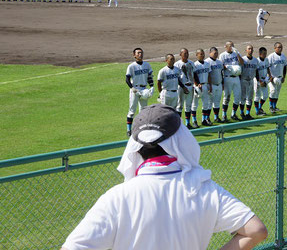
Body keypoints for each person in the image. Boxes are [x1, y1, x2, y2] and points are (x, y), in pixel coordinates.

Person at [61, 104, 268, 250]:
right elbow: (256, 231)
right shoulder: (205, 188)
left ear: (136, 147)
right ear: (179, 141)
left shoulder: (117, 197)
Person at [125, 48, 154, 136]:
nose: (140, 55)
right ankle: (129, 130)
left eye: (141, 53)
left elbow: (149, 77)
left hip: (144, 89)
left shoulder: (147, 65)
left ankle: (142, 128)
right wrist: (132, 88)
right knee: (132, 110)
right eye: (138, 53)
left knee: (143, 110)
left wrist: (152, 86)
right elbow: (127, 79)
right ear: (134, 55)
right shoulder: (131, 66)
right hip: (135, 90)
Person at [219, 42, 244, 121]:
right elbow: (221, 66)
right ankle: (224, 115)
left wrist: (237, 54)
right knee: (227, 97)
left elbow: (242, 62)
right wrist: (229, 67)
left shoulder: (236, 53)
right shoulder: (222, 55)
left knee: (237, 96)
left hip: (236, 78)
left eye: (233, 45)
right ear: (226, 46)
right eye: (230, 46)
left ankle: (233, 114)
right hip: (227, 78)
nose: (232, 47)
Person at [175, 48, 195, 128]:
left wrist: (197, 84)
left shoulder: (191, 63)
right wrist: (183, 87)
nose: (186, 55)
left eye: (187, 53)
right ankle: (179, 124)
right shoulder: (177, 64)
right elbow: (176, 78)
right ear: (180, 54)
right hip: (181, 87)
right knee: (179, 106)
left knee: (188, 105)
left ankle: (187, 123)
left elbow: (195, 73)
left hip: (190, 86)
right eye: (184, 53)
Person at [192, 49, 213, 126]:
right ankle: (194, 121)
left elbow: (209, 75)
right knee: (194, 105)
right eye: (200, 54)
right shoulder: (195, 64)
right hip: (197, 87)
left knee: (206, 104)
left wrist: (210, 85)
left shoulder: (207, 64)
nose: (202, 55)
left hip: (205, 85)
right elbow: (193, 76)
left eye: (203, 54)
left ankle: (204, 120)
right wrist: (197, 85)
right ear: (197, 55)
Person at [267, 42, 287, 113]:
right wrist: (270, 76)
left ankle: (274, 106)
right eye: (278, 47)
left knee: (277, 92)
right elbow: (267, 67)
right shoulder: (271, 56)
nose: (280, 49)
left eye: (281, 47)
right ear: (275, 48)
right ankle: (270, 106)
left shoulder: (283, 56)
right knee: (272, 91)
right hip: (272, 77)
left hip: (280, 77)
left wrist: (284, 77)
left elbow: (285, 67)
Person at [205, 47, 225, 123]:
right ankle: (207, 118)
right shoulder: (207, 62)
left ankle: (216, 117)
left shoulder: (219, 62)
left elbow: (221, 73)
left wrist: (222, 83)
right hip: (211, 85)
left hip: (219, 84)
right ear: (210, 53)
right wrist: (209, 85)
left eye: (217, 53)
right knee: (209, 102)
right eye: (214, 53)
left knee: (217, 102)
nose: (216, 55)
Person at [240, 45, 259, 120]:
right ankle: (242, 113)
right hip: (243, 80)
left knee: (250, 98)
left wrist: (257, 80)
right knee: (243, 98)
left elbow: (257, 71)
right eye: (249, 49)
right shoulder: (243, 60)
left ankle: (248, 113)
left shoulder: (255, 60)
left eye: (251, 49)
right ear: (246, 50)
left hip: (251, 80)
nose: (250, 50)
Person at [253, 47, 271, 115]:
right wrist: (260, 82)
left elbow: (268, 68)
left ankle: (260, 108)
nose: (265, 55)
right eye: (264, 54)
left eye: (266, 53)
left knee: (265, 95)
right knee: (257, 96)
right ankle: (257, 111)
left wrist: (270, 75)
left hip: (265, 79)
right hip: (257, 80)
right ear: (260, 54)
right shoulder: (257, 61)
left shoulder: (266, 60)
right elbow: (256, 72)